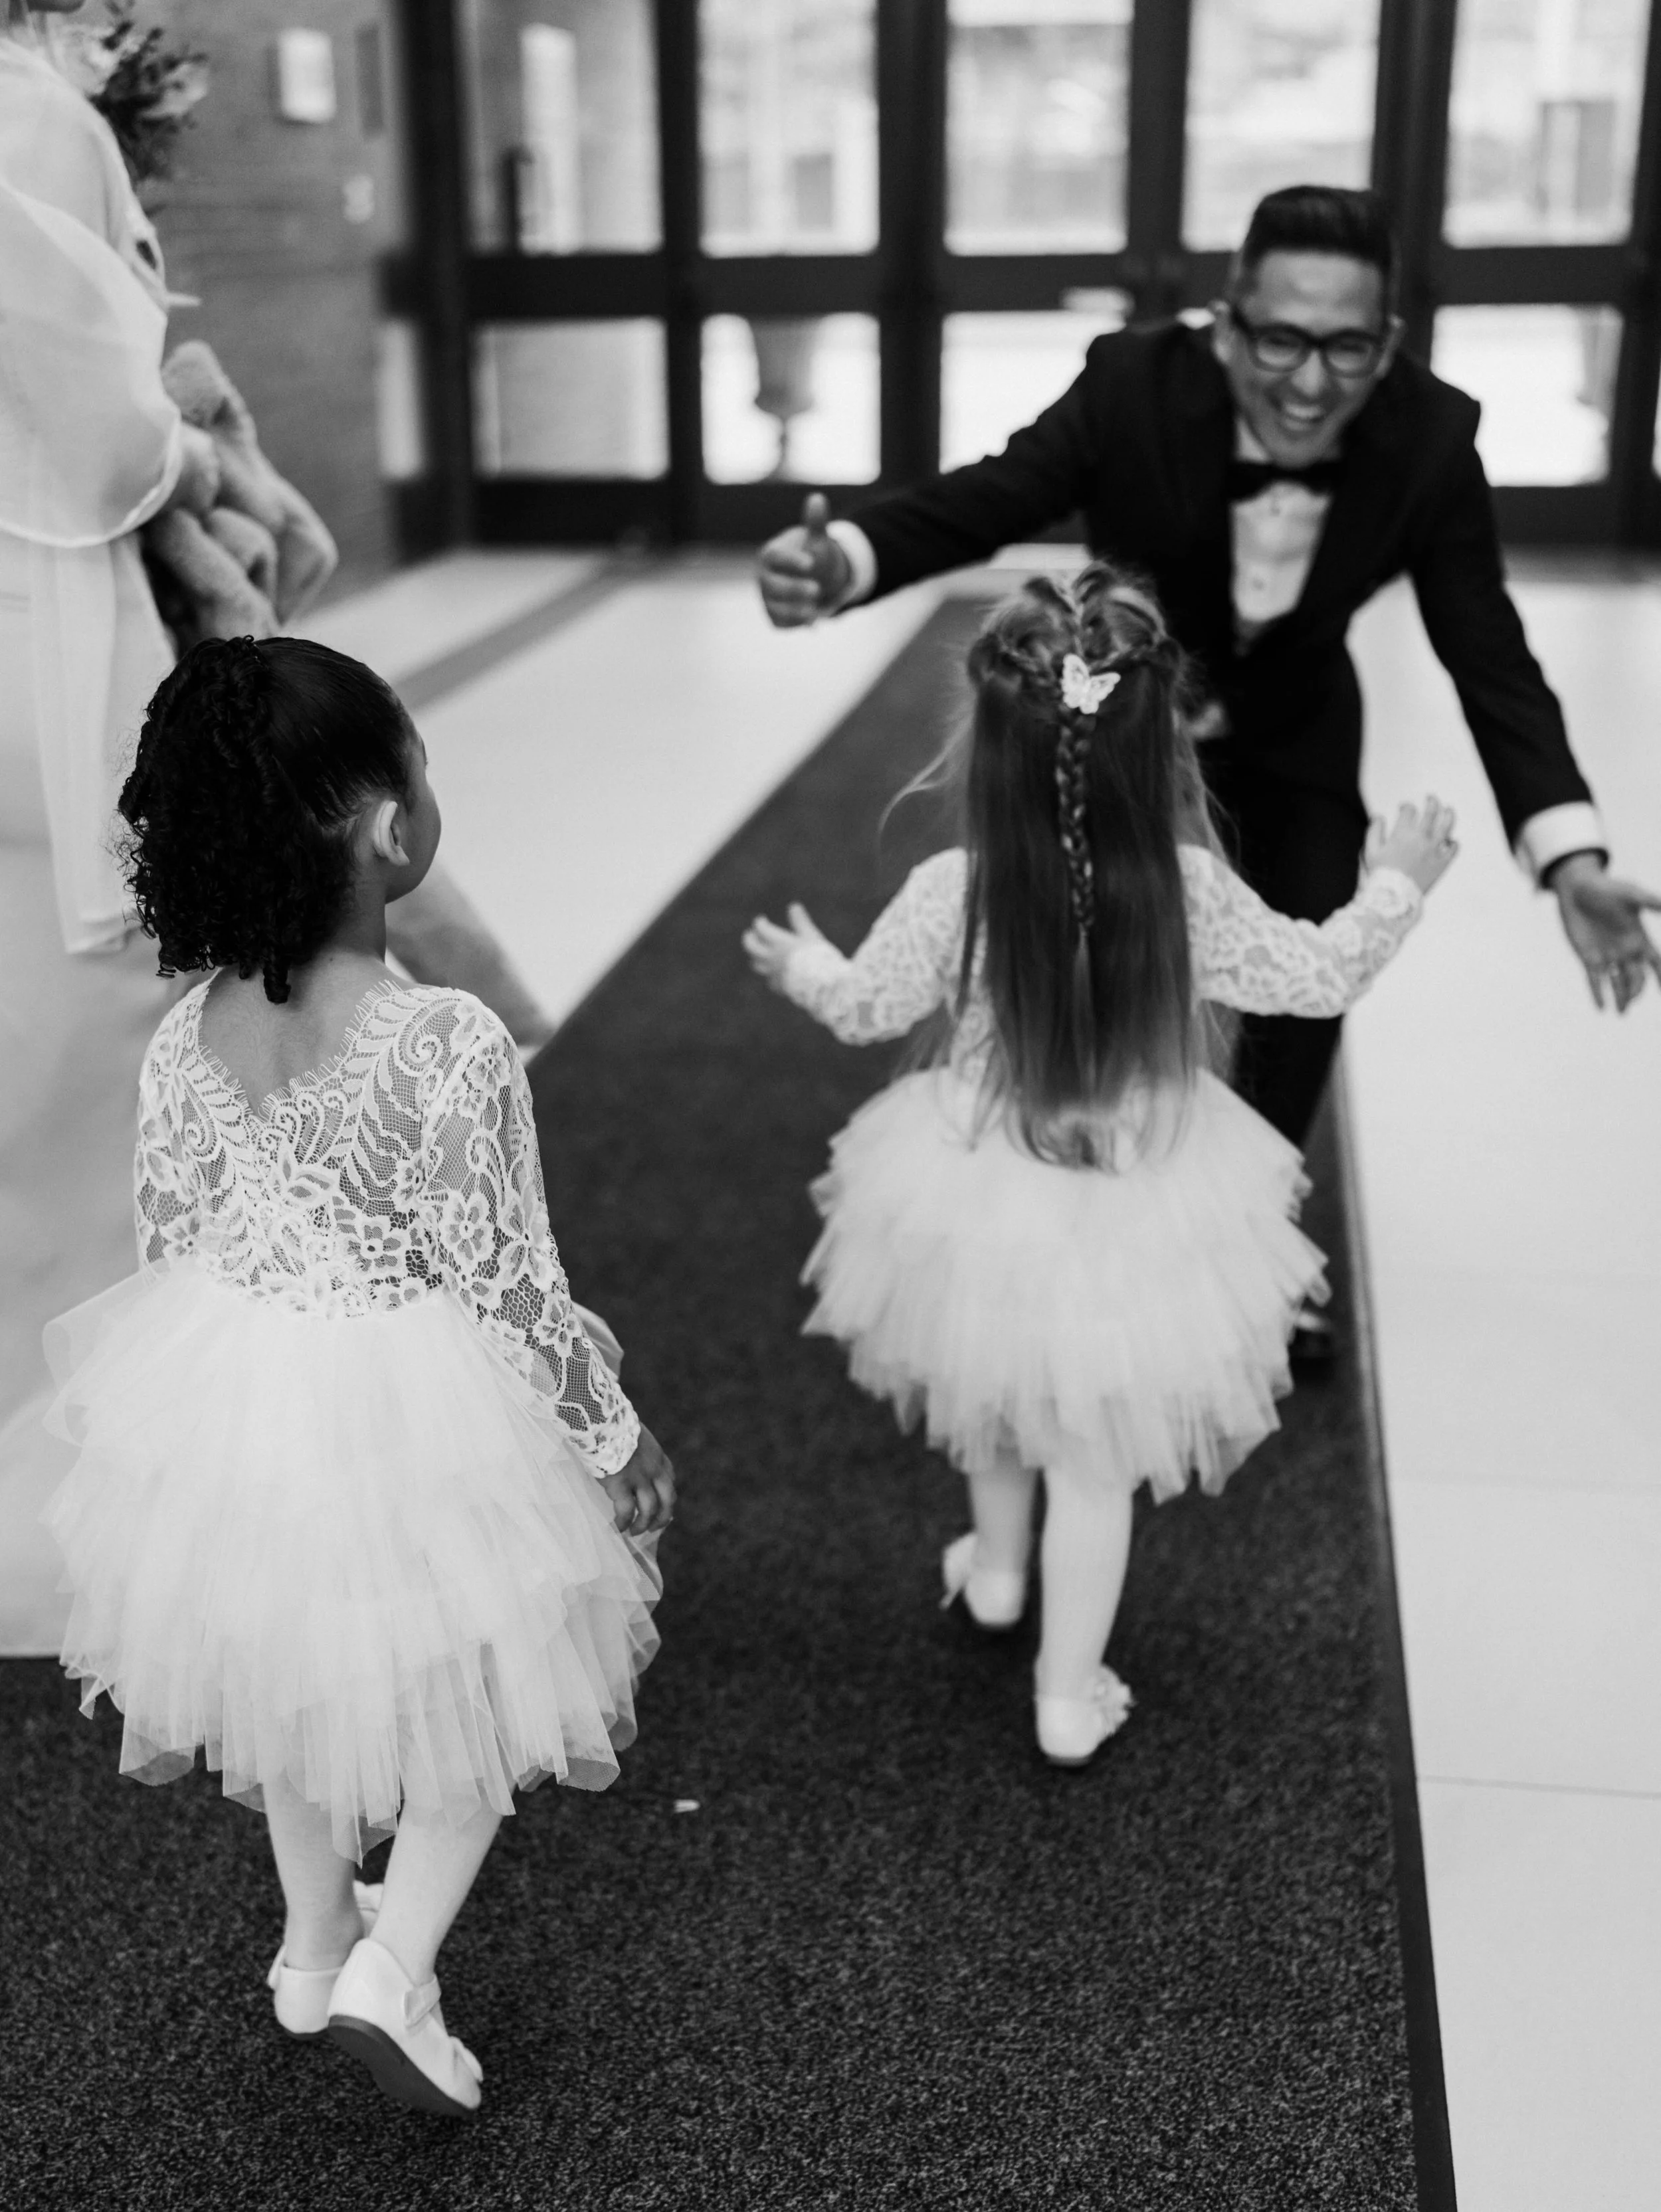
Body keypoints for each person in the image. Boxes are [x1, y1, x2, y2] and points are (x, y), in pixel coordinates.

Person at [755, 183, 1661, 1366]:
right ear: (1228, 325)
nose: (1308, 380)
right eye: (1279, 338)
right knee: (1080, 952)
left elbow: (1486, 647)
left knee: (1300, 976)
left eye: (1348, 347)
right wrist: (848, 560)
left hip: (1295, 733)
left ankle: (1255, 1240)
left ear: (1388, 344)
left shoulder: (1431, 434)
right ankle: (1071, 1178)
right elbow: (995, 494)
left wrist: (1571, 854)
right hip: (1120, 733)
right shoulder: (1133, 383)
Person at [40, 636, 676, 2116]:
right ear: (392, 829)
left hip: (244, 1407)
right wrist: (608, 1429)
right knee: (479, 1673)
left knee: (297, 1684)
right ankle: (402, 1960)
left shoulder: (187, 1037)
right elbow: (511, 1278)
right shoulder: (445, 1040)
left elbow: (171, 1241)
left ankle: (317, 1945)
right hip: (418, 1411)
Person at [0, 9, 552, 1652]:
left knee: (89, 1074)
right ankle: (120, 1517)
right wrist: (192, 430)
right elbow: (87, 439)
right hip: (43, 639)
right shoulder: (25, 115)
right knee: (83, 1064)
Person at [743, 567, 1454, 1768]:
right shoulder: (1185, 892)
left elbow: (866, 1009)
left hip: (976, 1195)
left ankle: (1000, 1580)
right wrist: (1398, 882)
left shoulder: (953, 891)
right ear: (1160, 749)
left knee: (992, 1387)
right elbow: (1320, 978)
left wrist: (806, 963)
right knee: (1092, 1459)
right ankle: (1066, 1695)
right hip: (1141, 1209)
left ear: (988, 749)